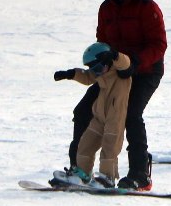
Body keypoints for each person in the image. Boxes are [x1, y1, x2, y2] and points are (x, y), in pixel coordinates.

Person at [70, 0, 167, 191]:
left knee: (131, 115)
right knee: (83, 110)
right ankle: (79, 170)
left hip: (146, 71)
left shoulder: (148, 7)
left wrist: (135, 63)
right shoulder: (106, 9)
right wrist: (99, 64)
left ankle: (139, 175)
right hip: (113, 74)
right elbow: (102, 42)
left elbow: (159, 45)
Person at [53, 43, 132, 187]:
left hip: (115, 118)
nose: (97, 72)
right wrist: (70, 74)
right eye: (94, 69)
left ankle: (107, 178)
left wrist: (115, 55)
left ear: (107, 61)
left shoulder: (121, 74)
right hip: (99, 117)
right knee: (85, 145)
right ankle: (82, 174)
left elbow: (125, 63)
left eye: (98, 68)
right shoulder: (101, 74)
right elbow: (87, 77)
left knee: (110, 148)